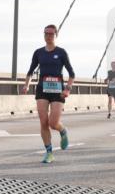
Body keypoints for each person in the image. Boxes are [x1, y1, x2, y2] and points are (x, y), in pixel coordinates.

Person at [19, 24, 75, 164]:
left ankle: (62, 130)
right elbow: (30, 71)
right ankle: (49, 153)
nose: (48, 36)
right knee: (43, 122)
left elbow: (72, 73)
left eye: (51, 33)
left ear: (56, 35)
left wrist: (67, 89)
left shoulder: (61, 52)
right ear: (43, 35)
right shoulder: (38, 52)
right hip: (42, 89)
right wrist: (26, 85)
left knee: (52, 123)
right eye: (46, 33)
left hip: (58, 91)